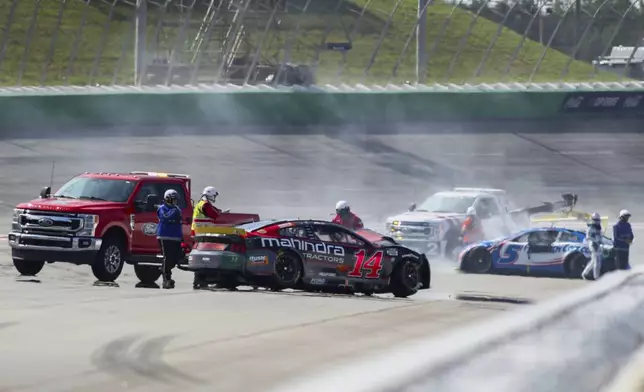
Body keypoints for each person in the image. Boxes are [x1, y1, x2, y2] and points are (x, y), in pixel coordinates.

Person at [156, 189, 183, 289]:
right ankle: (166, 279)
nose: (175, 202)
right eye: (173, 200)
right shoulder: (162, 208)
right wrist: (173, 211)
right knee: (167, 257)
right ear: (167, 199)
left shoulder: (177, 209)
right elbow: (165, 217)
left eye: (176, 200)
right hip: (164, 236)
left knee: (175, 258)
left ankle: (163, 268)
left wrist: (182, 238)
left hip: (175, 237)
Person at [582, 212, 602, 280]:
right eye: (596, 220)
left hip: (597, 245)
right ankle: (596, 277)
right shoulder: (591, 227)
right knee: (597, 262)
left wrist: (600, 241)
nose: (598, 221)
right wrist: (595, 240)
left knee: (593, 261)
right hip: (593, 245)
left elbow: (599, 236)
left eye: (598, 219)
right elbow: (587, 237)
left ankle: (585, 273)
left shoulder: (598, 227)